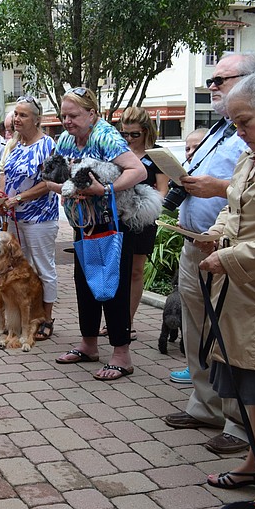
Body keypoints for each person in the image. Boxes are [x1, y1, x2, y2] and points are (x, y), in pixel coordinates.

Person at [163, 52, 255, 455]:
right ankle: (205, 405)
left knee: (229, 337)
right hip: (198, 240)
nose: (213, 86)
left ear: (252, 84)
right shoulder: (220, 129)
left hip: (236, 252)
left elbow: (247, 190)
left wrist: (215, 188)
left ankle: (238, 423)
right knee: (197, 329)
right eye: (213, 80)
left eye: (221, 80)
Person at [196, 72, 255, 493]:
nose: (240, 133)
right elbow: (236, 208)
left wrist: (229, 256)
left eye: (245, 122)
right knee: (254, 392)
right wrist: (217, 231)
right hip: (243, 297)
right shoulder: (253, 157)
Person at [47, 87, 146, 381]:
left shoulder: (106, 135)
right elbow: (56, 178)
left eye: (74, 115)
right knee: (85, 284)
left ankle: (122, 355)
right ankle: (88, 345)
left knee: (113, 287)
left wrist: (104, 190)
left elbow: (137, 171)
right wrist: (67, 188)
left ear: (92, 114)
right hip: (82, 225)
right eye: (64, 115)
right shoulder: (66, 139)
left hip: (111, 224)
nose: (67, 121)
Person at [0, 96, 59, 341]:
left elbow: (50, 182)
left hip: (40, 217)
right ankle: (20, 317)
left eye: (23, 115)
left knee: (42, 267)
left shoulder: (47, 145)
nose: (17, 119)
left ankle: (46, 319)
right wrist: (2, 195)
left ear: (36, 119)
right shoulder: (13, 144)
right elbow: (3, 171)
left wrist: (21, 197)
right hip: (14, 215)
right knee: (15, 266)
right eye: (15, 114)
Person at [104, 106, 168, 341]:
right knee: (114, 270)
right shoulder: (117, 153)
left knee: (134, 271)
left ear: (146, 131)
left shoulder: (157, 155)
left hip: (142, 220)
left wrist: (145, 203)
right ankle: (113, 319)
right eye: (124, 134)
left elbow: (163, 191)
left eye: (134, 134)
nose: (129, 139)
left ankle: (126, 322)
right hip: (116, 218)